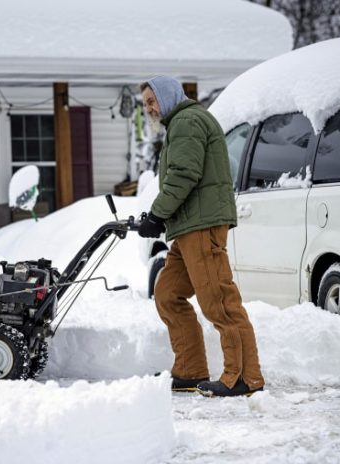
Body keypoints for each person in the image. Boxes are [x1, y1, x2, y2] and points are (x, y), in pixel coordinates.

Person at [136, 76, 265, 397]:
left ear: (167, 97)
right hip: (187, 228)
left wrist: (157, 214)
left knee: (218, 301)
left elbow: (184, 174)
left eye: (152, 100)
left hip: (202, 225)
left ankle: (244, 377)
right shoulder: (181, 123)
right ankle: (190, 370)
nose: (149, 108)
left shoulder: (187, 121)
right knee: (167, 293)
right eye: (146, 104)